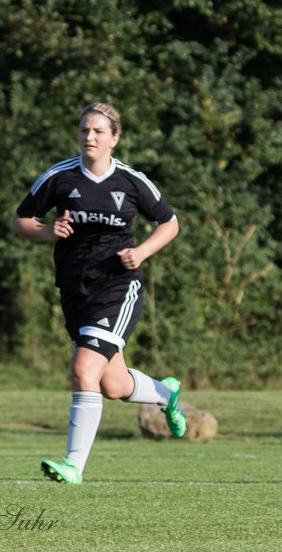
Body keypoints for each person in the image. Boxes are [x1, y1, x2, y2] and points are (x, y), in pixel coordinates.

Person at [12, 102, 188, 485]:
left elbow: (169, 222)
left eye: (97, 131)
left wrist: (141, 251)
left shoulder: (131, 181)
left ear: (115, 138)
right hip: (74, 288)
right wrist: (46, 232)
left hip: (118, 287)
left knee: (83, 369)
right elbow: (21, 219)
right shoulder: (59, 177)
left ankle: (73, 465)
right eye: (83, 130)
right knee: (113, 384)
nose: (89, 137)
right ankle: (165, 393)